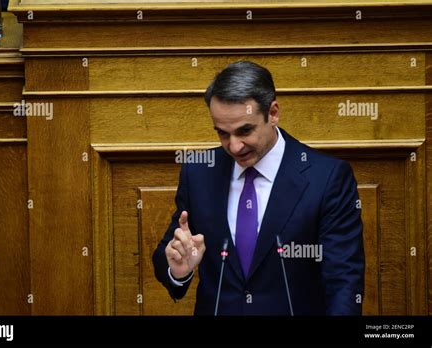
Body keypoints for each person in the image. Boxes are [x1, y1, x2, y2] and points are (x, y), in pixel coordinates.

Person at [152, 61, 365, 315]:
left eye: (245, 131)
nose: (234, 146)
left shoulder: (327, 178)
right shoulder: (199, 173)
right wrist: (179, 271)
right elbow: (168, 254)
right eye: (222, 133)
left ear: (273, 113)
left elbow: (344, 283)